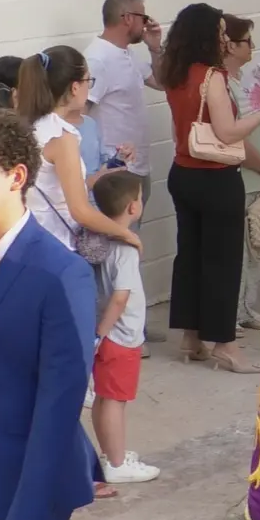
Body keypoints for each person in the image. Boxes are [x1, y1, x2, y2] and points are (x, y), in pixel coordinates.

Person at [0, 109, 98, 520]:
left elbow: (59, 400)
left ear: (16, 177)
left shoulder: (60, 274)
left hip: (19, 489)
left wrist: (30, 506)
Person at [158, 3, 260, 374]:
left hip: (182, 171)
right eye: (219, 31)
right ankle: (225, 345)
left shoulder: (174, 72)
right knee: (224, 262)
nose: (224, 37)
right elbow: (228, 133)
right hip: (214, 175)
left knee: (191, 255)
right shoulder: (211, 76)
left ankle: (192, 336)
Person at [16, 47, 141, 253]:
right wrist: (125, 233)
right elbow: (80, 211)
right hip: (56, 246)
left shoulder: (26, 126)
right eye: (88, 81)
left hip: (27, 240)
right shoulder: (62, 136)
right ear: (75, 87)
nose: (88, 88)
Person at [89, 171, 160, 485]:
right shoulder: (127, 249)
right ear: (133, 207)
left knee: (104, 398)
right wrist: (102, 333)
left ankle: (108, 455)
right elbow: (120, 298)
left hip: (105, 336)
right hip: (121, 337)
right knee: (116, 400)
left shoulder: (99, 239)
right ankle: (117, 464)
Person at [84, 0, 164, 217]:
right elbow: (80, 116)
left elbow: (161, 82)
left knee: (132, 241)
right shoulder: (98, 59)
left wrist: (155, 48)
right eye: (143, 16)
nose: (147, 23)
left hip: (136, 167)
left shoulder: (127, 53)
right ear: (128, 18)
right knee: (122, 243)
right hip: (115, 172)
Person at [221, 15, 260, 331]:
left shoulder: (244, 81)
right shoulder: (223, 85)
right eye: (246, 41)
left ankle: (245, 306)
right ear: (230, 44)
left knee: (255, 246)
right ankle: (234, 310)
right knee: (239, 249)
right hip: (245, 172)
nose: (252, 47)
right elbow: (234, 136)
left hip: (258, 171)